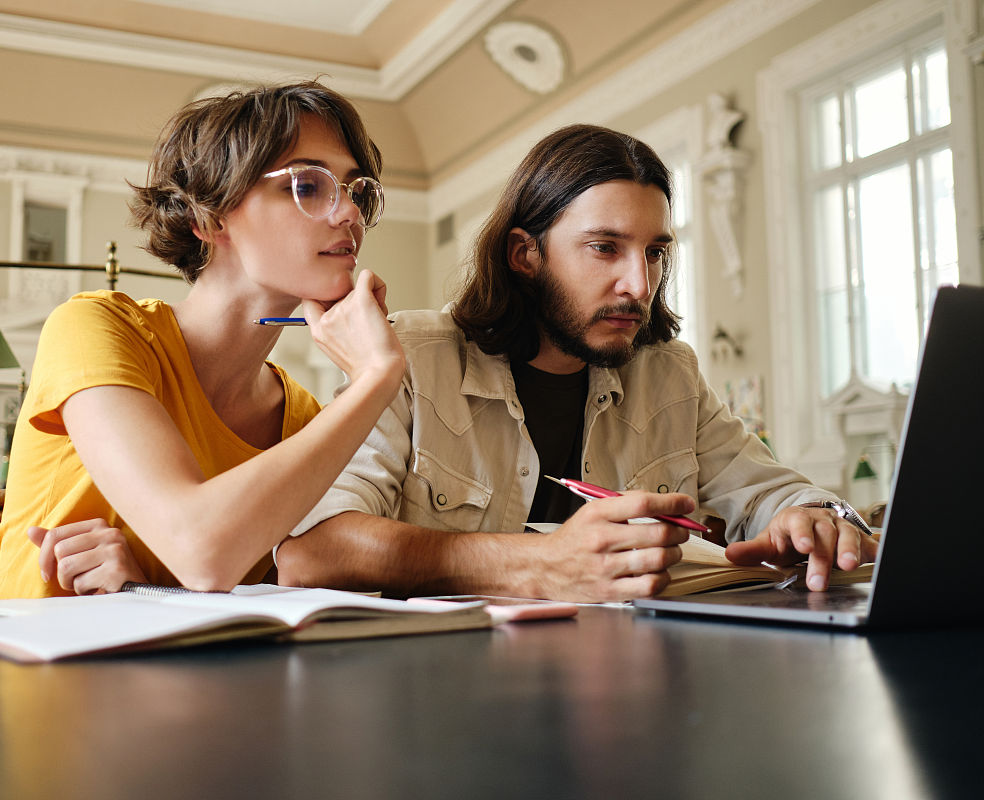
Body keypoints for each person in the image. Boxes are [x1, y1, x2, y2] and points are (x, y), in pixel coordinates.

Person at [272, 123, 878, 603]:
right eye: (604, 247)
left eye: (655, 253)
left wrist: (820, 516)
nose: (639, 284)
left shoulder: (671, 374)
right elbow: (312, 553)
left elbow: (772, 494)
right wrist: (541, 565)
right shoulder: (410, 356)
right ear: (525, 254)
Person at [0, 82, 405, 598]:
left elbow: (258, 597)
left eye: (356, 190)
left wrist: (145, 587)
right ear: (209, 217)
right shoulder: (96, 329)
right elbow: (203, 552)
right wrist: (375, 378)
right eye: (309, 186)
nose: (349, 215)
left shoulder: (305, 423)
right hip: (28, 667)